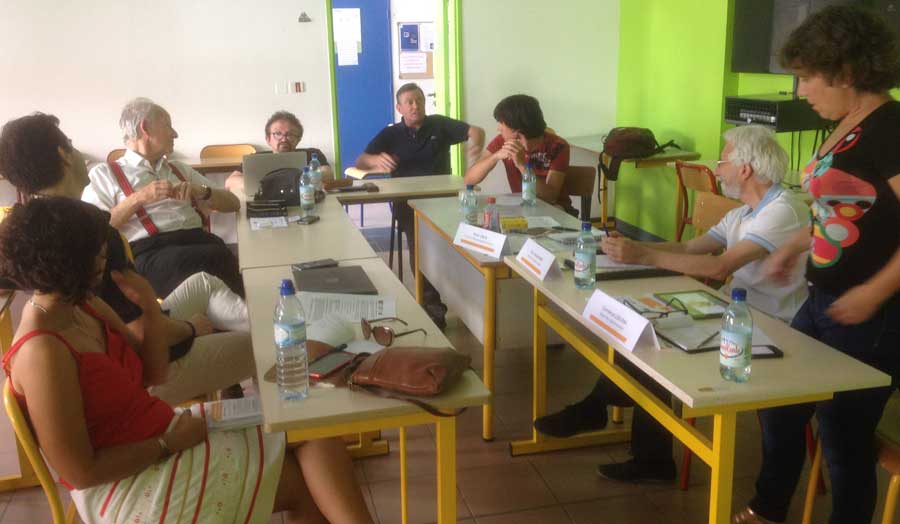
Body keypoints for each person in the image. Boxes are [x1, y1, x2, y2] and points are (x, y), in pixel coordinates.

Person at [0, 197, 374, 524]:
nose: (104, 256)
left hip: (161, 435)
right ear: (67, 262)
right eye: (95, 252)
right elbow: (80, 472)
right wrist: (167, 444)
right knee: (303, 481)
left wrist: (148, 305)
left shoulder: (85, 305)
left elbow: (153, 373)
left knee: (311, 430)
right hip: (127, 480)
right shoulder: (42, 351)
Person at [533, 125, 809, 484]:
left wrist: (644, 253)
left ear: (745, 169)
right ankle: (631, 439)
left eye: (723, 161)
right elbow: (691, 248)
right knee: (651, 337)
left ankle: (601, 415)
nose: (718, 169)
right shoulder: (743, 212)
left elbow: (720, 266)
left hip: (769, 329)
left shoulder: (782, 211)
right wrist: (626, 249)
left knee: (661, 347)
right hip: (736, 314)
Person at [735, 6, 900, 524]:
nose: (800, 91)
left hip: (871, 314)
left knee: (842, 438)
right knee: (782, 407)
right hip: (823, 299)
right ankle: (768, 508)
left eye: (807, 77)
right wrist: (796, 245)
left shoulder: (891, 127)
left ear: (847, 72)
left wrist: (875, 292)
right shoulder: (847, 124)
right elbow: (846, 212)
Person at [0, 113, 253, 405]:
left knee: (204, 282)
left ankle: (268, 327)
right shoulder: (92, 231)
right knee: (263, 347)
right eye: (71, 145)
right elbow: (139, 330)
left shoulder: (20, 232)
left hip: (109, 345)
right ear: (64, 156)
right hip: (140, 368)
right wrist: (192, 329)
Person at [82, 97, 244, 298]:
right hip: (149, 254)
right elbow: (91, 231)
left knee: (222, 257)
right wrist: (138, 198)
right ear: (145, 128)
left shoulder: (179, 169)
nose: (175, 133)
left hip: (198, 241)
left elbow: (234, 203)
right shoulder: (104, 174)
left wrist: (201, 191)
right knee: (217, 260)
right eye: (168, 125)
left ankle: (218, 323)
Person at [355, 82, 486, 328]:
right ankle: (432, 306)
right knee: (421, 247)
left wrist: (475, 147)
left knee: (462, 245)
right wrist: (375, 160)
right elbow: (361, 161)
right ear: (399, 107)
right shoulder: (391, 133)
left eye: (420, 100)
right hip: (407, 203)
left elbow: (475, 131)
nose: (416, 106)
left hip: (443, 198)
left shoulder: (439, 124)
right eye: (410, 102)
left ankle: (471, 304)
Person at [464, 94, 572, 211]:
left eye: (501, 122)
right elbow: (469, 180)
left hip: (556, 210)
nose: (498, 128)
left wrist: (521, 165)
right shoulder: (503, 141)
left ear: (516, 128)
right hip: (523, 209)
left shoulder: (558, 145)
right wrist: (495, 156)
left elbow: (550, 197)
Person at [224, 110, 334, 192]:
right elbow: (230, 182)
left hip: (305, 201)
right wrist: (266, 185)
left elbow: (328, 174)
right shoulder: (255, 159)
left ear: (298, 139)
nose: (284, 139)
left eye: (290, 134)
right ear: (268, 139)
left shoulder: (312, 154)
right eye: (277, 134)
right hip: (267, 204)